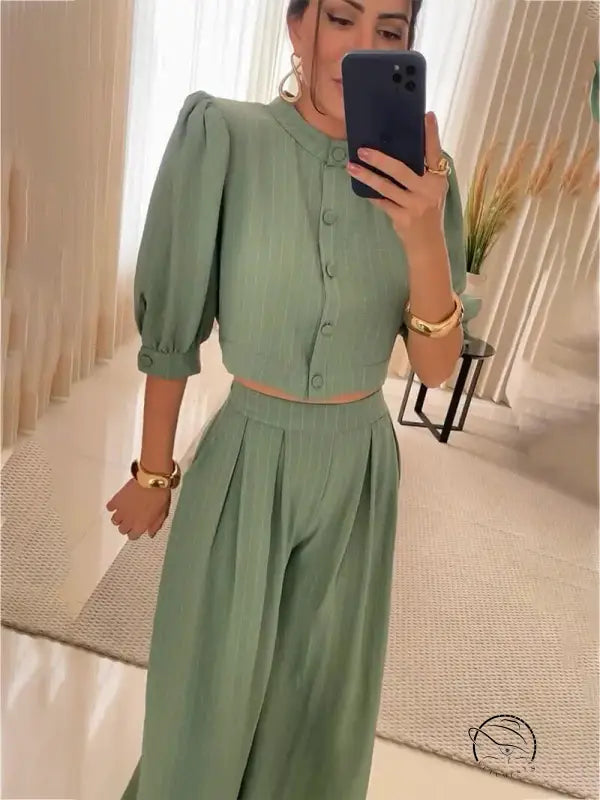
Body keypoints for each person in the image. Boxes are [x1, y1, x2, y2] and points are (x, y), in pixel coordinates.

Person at [107, 1, 466, 797]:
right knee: (207, 698)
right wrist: (154, 473)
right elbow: (175, 325)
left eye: (390, 32)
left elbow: (436, 369)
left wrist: (422, 238)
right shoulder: (226, 138)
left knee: (316, 708)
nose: (361, 46)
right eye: (342, 18)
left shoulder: (427, 177)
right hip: (247, 459)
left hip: (357, 476)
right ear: (297, 25)